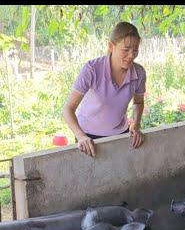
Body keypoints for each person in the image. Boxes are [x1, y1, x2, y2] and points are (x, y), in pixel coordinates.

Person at [62, 22, 146, 157]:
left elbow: (138, 102)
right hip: (88, 138)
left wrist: (136, 125)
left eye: (135, 50)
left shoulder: (139, 72)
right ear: (111, 46)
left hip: (121, 135)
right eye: (126, 49)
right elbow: (68, 109)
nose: (131, 55)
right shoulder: (92, 69)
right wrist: (81, 136)